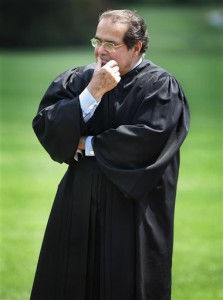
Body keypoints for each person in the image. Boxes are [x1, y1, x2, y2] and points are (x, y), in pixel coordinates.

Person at [30, 9, 190, 300]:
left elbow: (146, 140)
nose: (101, 51)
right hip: (77, 203)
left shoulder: (160, 87)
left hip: (131, 208)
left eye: (111, 44)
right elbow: (45, 124)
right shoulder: (80, 80)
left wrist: (85, 143)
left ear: (137, 46)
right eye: (97, 41)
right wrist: (91, 93)